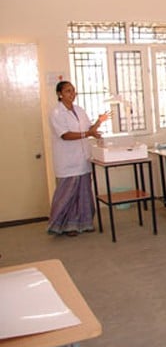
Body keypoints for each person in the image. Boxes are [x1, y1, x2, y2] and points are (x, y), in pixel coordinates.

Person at [48, 80, 109, 236]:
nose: (72, 94)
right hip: (67, 161)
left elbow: (89, 130)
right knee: (67, 195)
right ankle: (63, 225)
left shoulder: (80, 110)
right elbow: (65, 135)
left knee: (84, 193)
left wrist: (99, 122)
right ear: (59, 94)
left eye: (73, 90)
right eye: (68, 91)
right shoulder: (56, 113)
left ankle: (84, 223)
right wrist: (88, 134)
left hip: (82, 159)